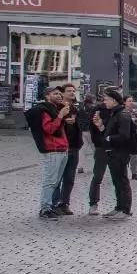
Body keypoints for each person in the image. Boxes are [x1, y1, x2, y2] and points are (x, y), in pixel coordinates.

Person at [25, 83, 71, 220]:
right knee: (50, 180)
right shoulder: (44, 111)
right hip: (53, 150)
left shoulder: (56, 109)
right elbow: (50, 129)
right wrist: (61, 116)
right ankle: (45, 208)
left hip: (62, 149)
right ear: (47, 96)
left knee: (55, 181)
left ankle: (49, 206)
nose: (59, 95)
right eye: (55, 93)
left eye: (59, 93)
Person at [93, 88, 137, 220]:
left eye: (106, 99)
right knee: (117, 181)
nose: (104, 102)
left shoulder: (122, 114)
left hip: (120, 153)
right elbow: (108, 131)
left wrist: (108, 139)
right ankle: (119, 207)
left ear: (113, 100)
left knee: (122, 180)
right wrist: (100, 126)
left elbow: (124, 135)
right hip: (112, 152)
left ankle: (124, 209)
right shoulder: (114, 113)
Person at [52, 84, 84, 215]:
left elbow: (81, 126)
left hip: (74, 147)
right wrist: (65, 122)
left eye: (73, 91)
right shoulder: (57, 109)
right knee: (57, 178)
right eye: (69, 91)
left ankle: (65, 203)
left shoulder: (75, 108)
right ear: (62, 93)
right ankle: (54, 203)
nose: (72, 93)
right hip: (60, 148)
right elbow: (53, 128)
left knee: (69, 178)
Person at [122, 96, 137, 179]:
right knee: (123, 155)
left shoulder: (136, 111)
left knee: (133, 156)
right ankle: (123, 173)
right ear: (124, 102)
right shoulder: (121, 111)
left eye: (132, 101)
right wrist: (132, 120)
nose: (131, 102)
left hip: (133, 136)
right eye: (129, 101)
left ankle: (134, 173)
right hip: (123, 136)